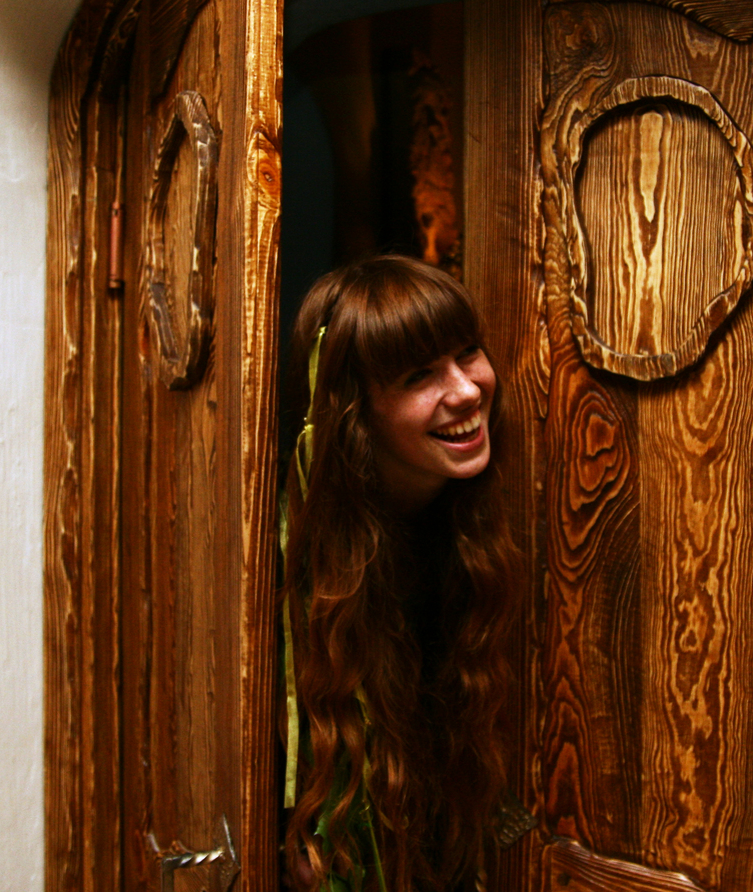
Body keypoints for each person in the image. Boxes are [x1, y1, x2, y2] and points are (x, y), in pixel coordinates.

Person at [280, 256, 518, 892]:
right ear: (356, 412)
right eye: (419, 375)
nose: (466, 390)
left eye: (467, 353)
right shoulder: (292, 554)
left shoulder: (479, 512)